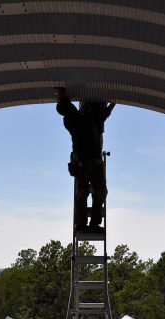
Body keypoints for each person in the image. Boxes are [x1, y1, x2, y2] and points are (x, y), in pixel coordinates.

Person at [55, 87, 115, 233]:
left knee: (97, 192)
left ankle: (90, 224)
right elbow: (101, 115)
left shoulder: (78, 118)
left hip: (91, 161)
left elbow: (102, 115)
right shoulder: (73, 119)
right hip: (85, 162)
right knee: (87, 193)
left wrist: (62, 97)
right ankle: (85, 224)